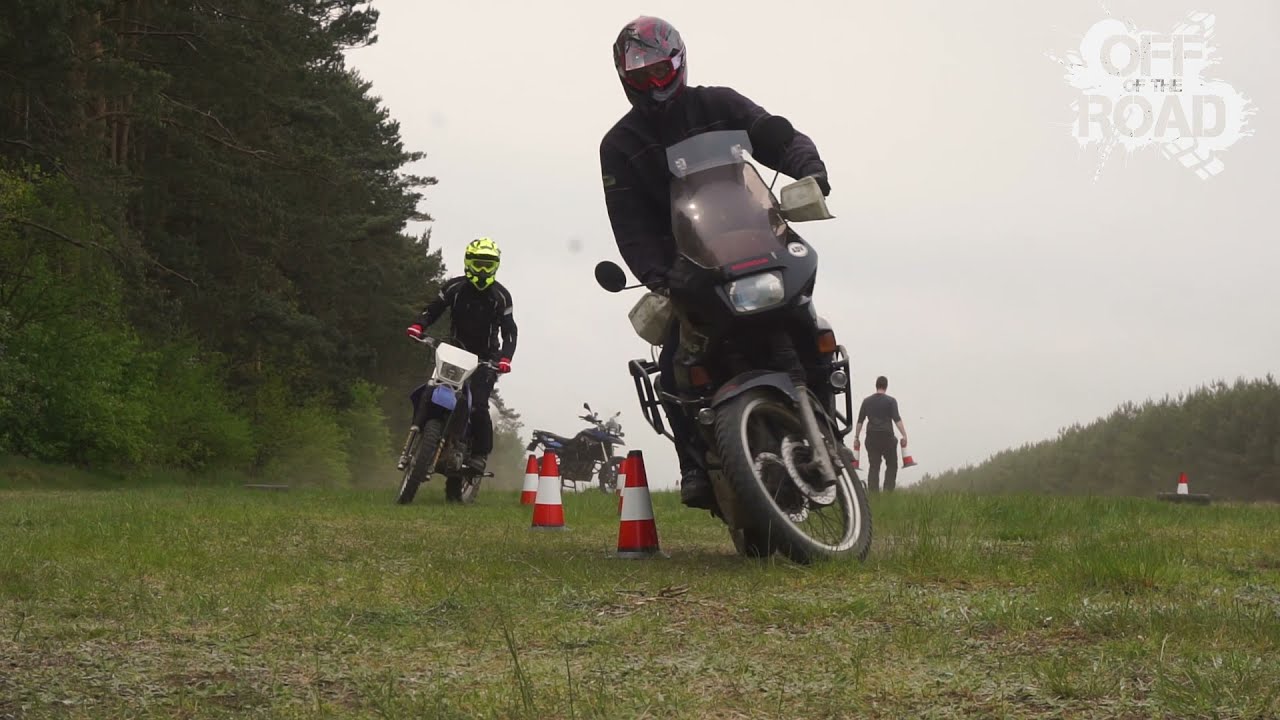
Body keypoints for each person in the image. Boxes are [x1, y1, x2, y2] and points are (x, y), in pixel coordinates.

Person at [599, 15, 832, 510]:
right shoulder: (619, 145)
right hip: (688, 269)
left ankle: (827, 425)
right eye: (640, 78)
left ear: (679, 64)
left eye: (660, 72)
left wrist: (809, 170)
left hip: (757, 245)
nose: (653, 86)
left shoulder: (720, 103)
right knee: (673, 365)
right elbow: (630, 226)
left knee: (812, 326)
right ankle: (693, 465)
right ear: (624, 80)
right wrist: (660, 277)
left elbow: (776, 135)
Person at [402, 237, 516, 474]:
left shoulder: (501, 296)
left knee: (479, 406)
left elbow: (510, 331)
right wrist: (419, 325)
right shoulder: (454, 288)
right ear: (468, 263)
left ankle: (479, 454)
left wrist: (505, 358)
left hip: (486, 359)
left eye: (488, 264)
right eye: (478, 263)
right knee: (429, 388)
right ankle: (420, 434)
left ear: (496, 266)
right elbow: (433, 309)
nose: (483, 270)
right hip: (453, 351)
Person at [854, 376, 909, 492]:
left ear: (876, 385)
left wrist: (856, 437)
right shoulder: (891, 401)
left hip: (872, 438)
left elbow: (860, 421)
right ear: (886, 386)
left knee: (874, 466)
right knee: (892, 464)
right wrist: (904, 435)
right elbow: (897, 419)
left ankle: (873, 494)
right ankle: (888, 492)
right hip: (887, 437)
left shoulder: (866, 401)